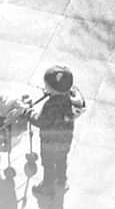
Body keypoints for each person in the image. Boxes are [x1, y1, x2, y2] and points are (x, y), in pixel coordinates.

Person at [24, 65, 86, 194]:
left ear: (53, 88)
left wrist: (27, 113)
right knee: (61, 160)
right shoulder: (72, 100)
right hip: (65, 140)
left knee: (48, 165)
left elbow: (41, 121)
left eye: (47, 86)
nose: (45, 88)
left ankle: (47, 186)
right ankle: (61, 181)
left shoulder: (51, 105)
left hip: (50, 143)